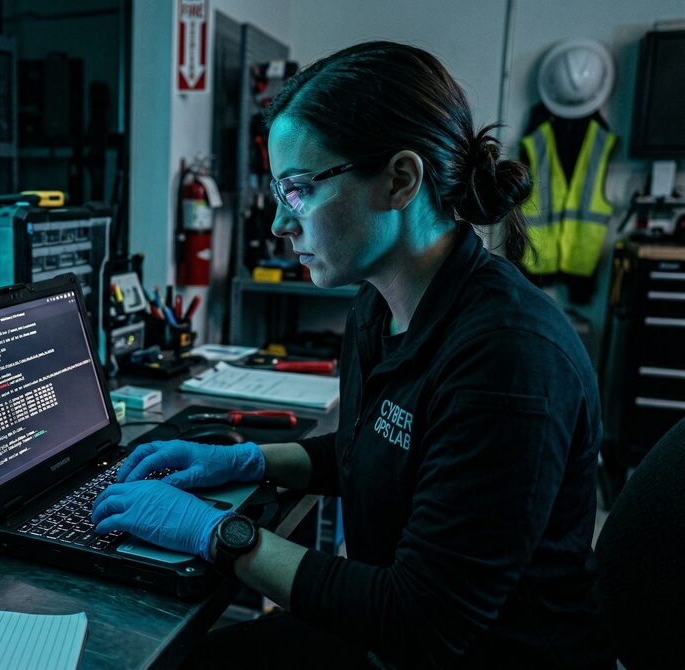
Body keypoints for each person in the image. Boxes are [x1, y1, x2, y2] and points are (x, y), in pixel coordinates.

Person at [92, 41, 614, 669]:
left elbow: (418, 619)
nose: (284, 226)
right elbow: (375, 452)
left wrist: (212, 531)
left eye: (299, 189)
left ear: (400, 180)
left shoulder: (509, 359)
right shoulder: (380, 304)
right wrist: (240, 460)